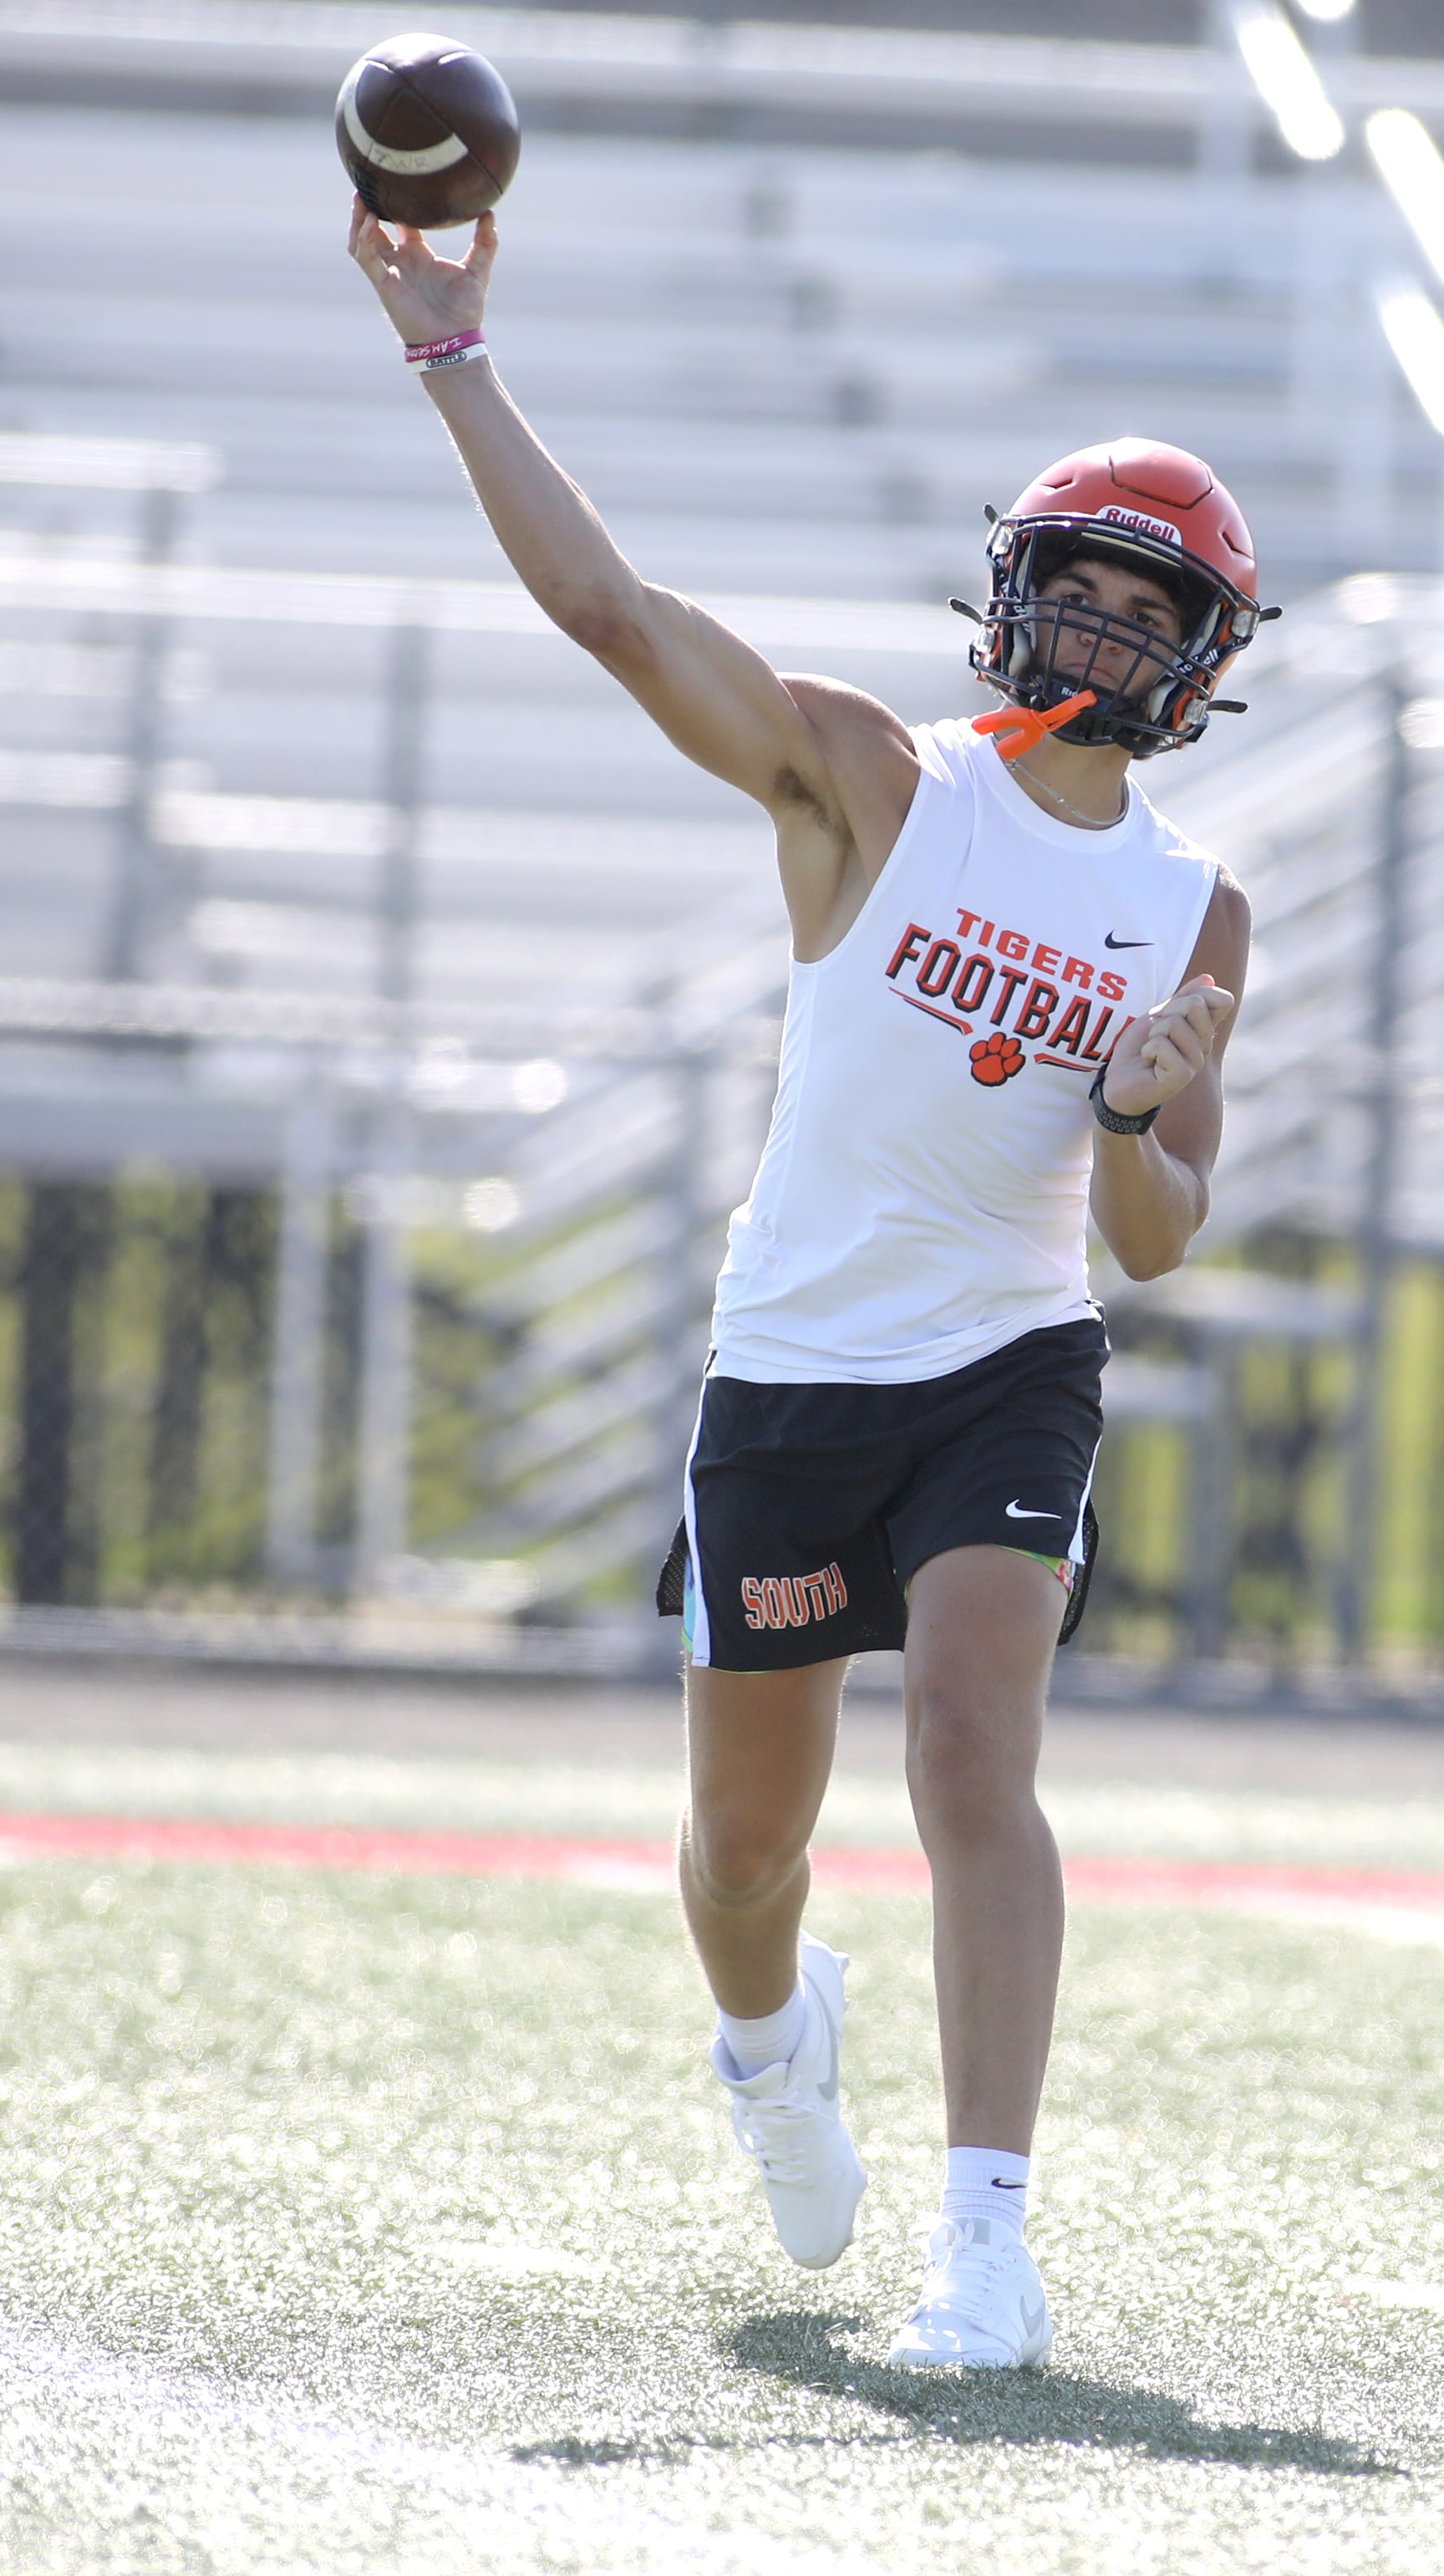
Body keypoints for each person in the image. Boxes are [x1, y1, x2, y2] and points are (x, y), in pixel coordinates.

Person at [352, 209, 1267, 2369]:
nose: (1111, 628)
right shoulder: (872, 776)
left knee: (971, 1737)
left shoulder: (1193, 901)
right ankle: (769, 2044)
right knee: (739, 1855)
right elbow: (602, 609)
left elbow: (1154, 1234)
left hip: (1005, 1361)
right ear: (1015, 586)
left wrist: (1141, 1110)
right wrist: (450, 348)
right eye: (1087, 583)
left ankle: (989, 2236)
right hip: (790, 1369)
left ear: (1207, 655)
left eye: (1157, 606)